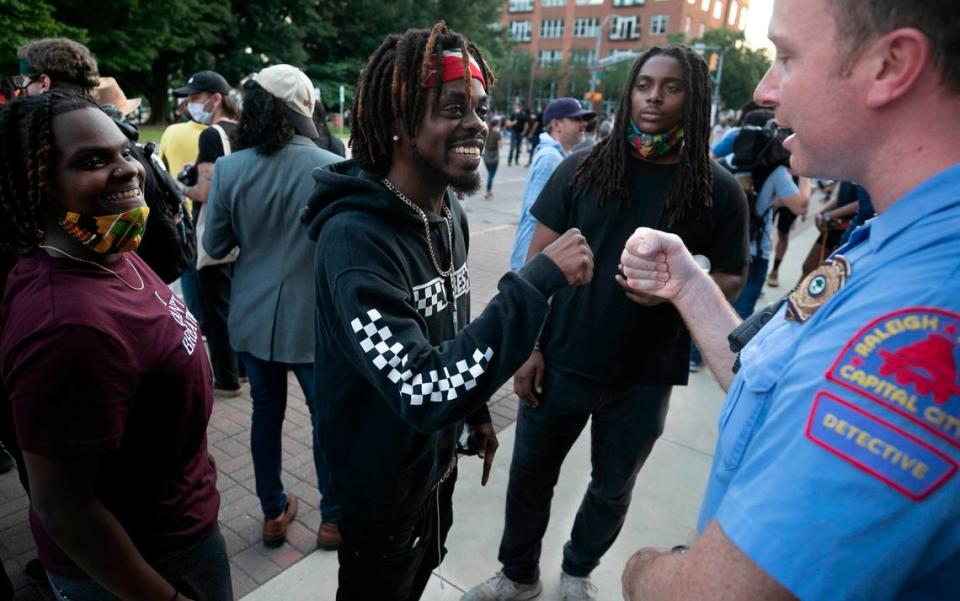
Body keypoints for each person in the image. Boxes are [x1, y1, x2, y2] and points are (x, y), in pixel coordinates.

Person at [619, 0, 960, 599]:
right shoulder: (902, 232)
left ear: (890, 65)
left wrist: (644, 569)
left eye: (786, 56)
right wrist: (689, 286)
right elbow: (775, 388)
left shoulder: (924, 306)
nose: (765, 88)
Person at [302, 22, 594, 601]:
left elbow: (450, 331)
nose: (477, 124)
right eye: (452, 107)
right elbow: (422, 385)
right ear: (395, 123)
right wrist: (533, 282)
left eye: (481, 108)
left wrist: (477, 411)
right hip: (380, 495)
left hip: (434, 474)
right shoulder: (354, 241)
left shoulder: (447, 211)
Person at [465, 45, 748, 601]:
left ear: (694, 99)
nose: (653, 97)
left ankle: (577, 570)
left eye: (670, 87)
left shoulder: (717, 189)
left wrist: (679, 290)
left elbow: (734, 276)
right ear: (629, 91)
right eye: (644, 85)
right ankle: (518, 575)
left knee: (612, 487)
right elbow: (534, 266)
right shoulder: (582, 168)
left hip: (644, 377)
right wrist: (529, 348)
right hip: (561, 361)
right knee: (528, 480)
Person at [0, 92, 231, 601]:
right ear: (38, 185)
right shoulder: (68, 327)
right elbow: (64, 509)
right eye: (91, 161)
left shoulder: (111, 250)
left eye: (125, 151)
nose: (127, 170)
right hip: (143, 565)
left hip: (182, 522)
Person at [203, 64, 343, 550]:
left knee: (265, 415)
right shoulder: (332, 167)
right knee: (327, 419)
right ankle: (333, 518)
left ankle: (272, 511)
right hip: (315, 321)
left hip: (253, 314)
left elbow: (216, 242)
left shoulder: (230, 168)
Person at [176, 70, 243, 396]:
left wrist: (178, 185)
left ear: (216, 98)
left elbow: (205, 192)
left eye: (195, 97)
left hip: (216, 231)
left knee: (216, 308)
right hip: (246, 231)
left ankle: (226, 379)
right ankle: (243, 369)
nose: (190, 104)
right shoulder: (247, 129)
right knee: (239, 302)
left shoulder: (212, 136)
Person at [726, 108, 807, 318]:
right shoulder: (777, 172)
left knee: (707, 316)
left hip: (722, 248)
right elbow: (800, 205)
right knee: (738, 320)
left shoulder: (730, 161)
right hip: (753, 253)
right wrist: (804, 176)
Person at [508, 97, 593, 271]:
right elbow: (538, 215)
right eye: (576, 119)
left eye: (583, 119)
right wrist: (531, 265)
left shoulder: (557, 155)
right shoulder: (550, 158)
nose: (583, 124)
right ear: (556, 124)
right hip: (533, 260)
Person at [483, 117, 502, 199]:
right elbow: (500, 146)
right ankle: (488, 191)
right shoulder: (497, 133)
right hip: (494, 157)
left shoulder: (486, 132)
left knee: (490, 174)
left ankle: (489, 191)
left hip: (486, 156)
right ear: (497, 124)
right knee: (491, 175)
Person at [506, 101, 529, 166]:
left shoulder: (524, 114)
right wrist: (512, 123)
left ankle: (516, 160)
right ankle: (509, 161)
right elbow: (508, 123)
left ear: (520, 107)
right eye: (515, 106)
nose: (516, 107)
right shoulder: (513, 114)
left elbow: (526, 124)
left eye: (517, 106)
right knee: (512, 147)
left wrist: (524, 132)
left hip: (520, 132)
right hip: (514, 131)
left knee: (518, 148)